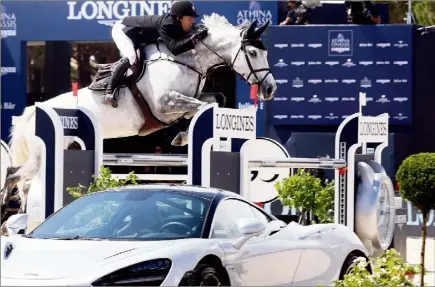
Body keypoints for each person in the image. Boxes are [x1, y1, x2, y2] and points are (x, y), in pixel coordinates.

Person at [103, 0, 209, 106]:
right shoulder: (166, 25)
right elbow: (174, 49)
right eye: (189, 18)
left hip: (140, 36)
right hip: (123, 30)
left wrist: (202, 29)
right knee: (131, 57)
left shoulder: (179, 24)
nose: (192, 21)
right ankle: (109, 91)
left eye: (193, 18)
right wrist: (196, 37)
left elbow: (194, 30)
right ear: (178, 18)